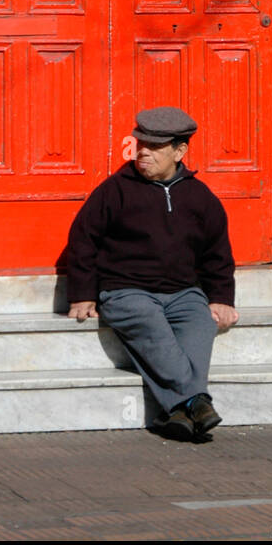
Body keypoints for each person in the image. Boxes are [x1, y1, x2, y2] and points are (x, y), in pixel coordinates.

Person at [65, 106, 239, 442]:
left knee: (201, 321)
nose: (143, 151)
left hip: (182, 292)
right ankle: (197, 399)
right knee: (150, 323)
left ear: (180, 151)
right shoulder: (114, 190)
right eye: (141, 142)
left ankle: (178, 413)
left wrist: (220, 298)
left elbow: (217, 251)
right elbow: (83, 240)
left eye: (155, 147)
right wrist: (83, 293)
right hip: (126, 292)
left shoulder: (200, 196)